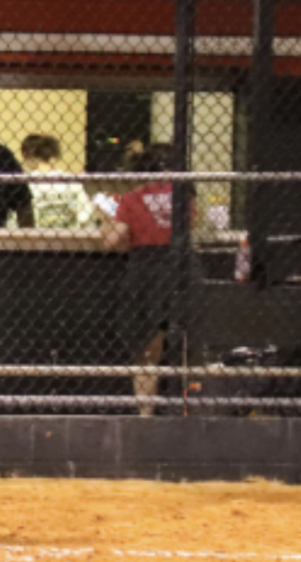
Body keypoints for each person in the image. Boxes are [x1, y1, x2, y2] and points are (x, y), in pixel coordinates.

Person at [102, 148, 192, 416]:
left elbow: (112, 241)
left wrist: (107, 218)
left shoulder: (133, 198)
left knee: (146, 347)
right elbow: (196, 225)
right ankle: (187, 408)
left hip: (147, 267)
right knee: (185, 343)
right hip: (183, 265)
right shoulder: (182, 194)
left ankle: (145, 415)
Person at [19, 134, 101, 229]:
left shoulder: (27, 183)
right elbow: (85, 216)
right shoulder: (71, 181)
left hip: (37, 238)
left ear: (27, 156)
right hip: (68, 236)